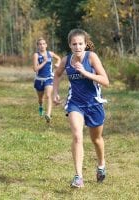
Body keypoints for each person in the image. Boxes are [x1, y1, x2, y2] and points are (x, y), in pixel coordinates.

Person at [53, 29, 109, 188]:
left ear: (85, 44)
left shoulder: (91, 57)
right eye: (74, 44)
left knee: (96, 139)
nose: (77, 47)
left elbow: (105, 81)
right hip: (75, 103)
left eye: (80, 43)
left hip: (94, 103)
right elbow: (56, 75)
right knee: (77, 135)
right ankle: (78, 177)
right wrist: (55, 93)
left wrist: (85, 72)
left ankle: (101, 165)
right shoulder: (66, 60)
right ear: (70, 45)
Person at [33, 37, 61, 123]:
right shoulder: (36, 55)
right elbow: (35, 69)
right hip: (39, 79)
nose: (42, 46)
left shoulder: (50, 53)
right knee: (40, 98)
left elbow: (59, 58)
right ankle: (41, 106)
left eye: (43, 44)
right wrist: (44, 62)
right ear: (38, 46)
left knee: (48, 95)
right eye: (40, 44)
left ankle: (48, 115)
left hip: (49, 78)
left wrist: (57, 63)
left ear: (46, 45)